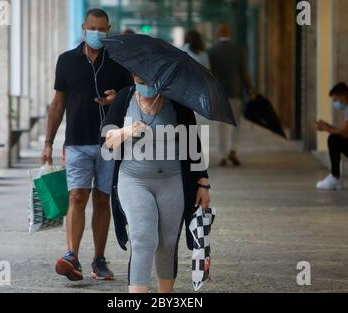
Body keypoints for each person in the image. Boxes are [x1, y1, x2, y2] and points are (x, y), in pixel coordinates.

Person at [41, 8, 133, 281]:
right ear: (83, 27)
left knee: (103, 199)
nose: (97, 33)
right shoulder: (66, 61)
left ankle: (99, 259)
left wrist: (116, 98)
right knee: (76, 196)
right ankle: (72, 255)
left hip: (110, 141)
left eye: (102, 29)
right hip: (77, 142)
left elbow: (132, 99)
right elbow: (58, 104)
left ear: (109, 29)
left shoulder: (118, 62)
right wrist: (48, 142)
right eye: (92, 28)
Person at [101, 75, 211, 293]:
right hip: (133, 180)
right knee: (142, 239)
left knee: (167, 244)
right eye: (139, 79)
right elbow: (106, 140)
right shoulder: (125, 97)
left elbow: (194, 143)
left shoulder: (177, 101)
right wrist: (127, 131)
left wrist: (203, 184)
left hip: (172, 181)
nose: (144, 85)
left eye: (148, 80)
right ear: (133, 77)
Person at [208, 24, 255, 167]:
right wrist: (250, 89)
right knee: (235, 123)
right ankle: (233, 150)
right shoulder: (238, 50)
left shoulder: (211, 51)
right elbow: (244, 72)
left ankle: (222, 155)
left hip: (218, 94)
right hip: (235, 92)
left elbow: (209, 74)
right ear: (230, 34)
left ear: (217, 35)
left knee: (221, 126)